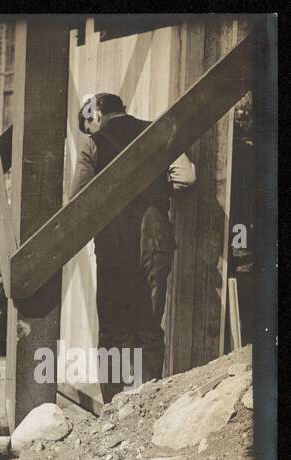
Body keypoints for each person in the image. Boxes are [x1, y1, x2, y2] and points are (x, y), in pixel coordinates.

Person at [72, 92, 196, 394]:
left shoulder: (94, 143)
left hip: (114, 240)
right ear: (124, 109)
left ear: (98, 115)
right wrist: (155, 192)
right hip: (153, 236)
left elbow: (78, 198)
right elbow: (186, 178)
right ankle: (146, 402)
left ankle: (114, 405)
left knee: (115, 326)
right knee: (150, 323)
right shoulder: (157, 131)